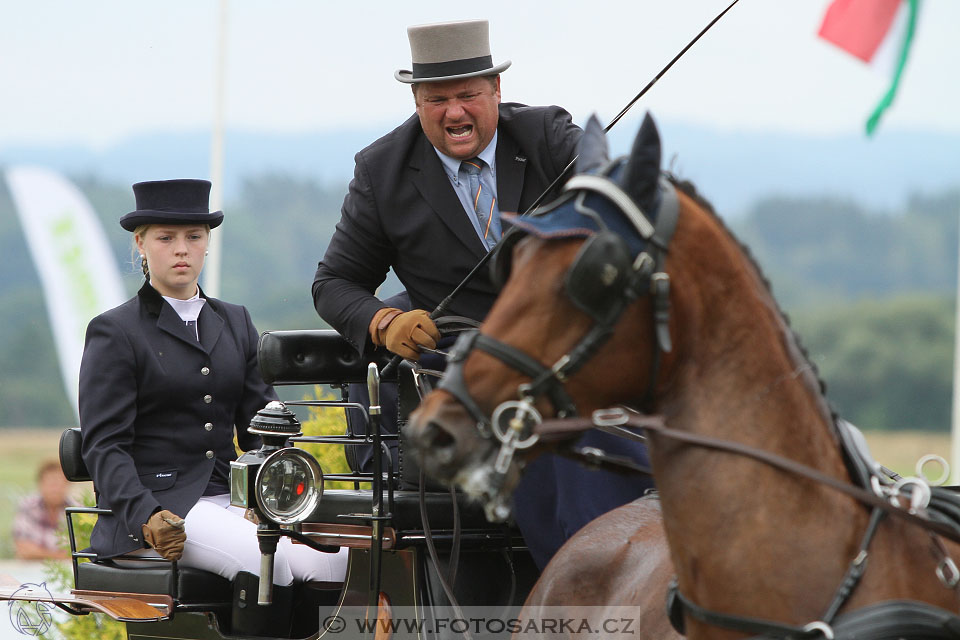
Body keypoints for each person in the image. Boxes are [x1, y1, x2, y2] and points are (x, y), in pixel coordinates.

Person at [312, 20, 655, 569]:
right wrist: (383, 322)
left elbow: (612, 200)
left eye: (469, 94)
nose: (455, 112)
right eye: (437, 99)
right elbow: (333, 284)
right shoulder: (382, 170)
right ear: (416, 101)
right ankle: (590, 584)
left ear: (496, 90)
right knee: (557, 441)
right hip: (471, 375)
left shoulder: (547, 137)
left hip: (569, 352)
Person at [79, 179, 347, 636]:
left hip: (229, 497)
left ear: (207, 243)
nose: (181, 249)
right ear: (141, 244)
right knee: (265, 562)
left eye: (193, 237)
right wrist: (145, 514)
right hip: (157, 508)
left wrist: (269, 493)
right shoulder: (115, 331)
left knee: (333, 561)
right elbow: (104, 447)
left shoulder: (234, 319)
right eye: (166, 238)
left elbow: (264, 419)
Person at [12, 460, 75, 560]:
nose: (55, 489)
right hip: (30, 570)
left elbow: (81, 550)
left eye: (59, 483)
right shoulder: (28, 507)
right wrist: (60, 556)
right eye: (51, 483)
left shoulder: (76, 509)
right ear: (40, 484)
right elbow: (23, 549)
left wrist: (38, 553)